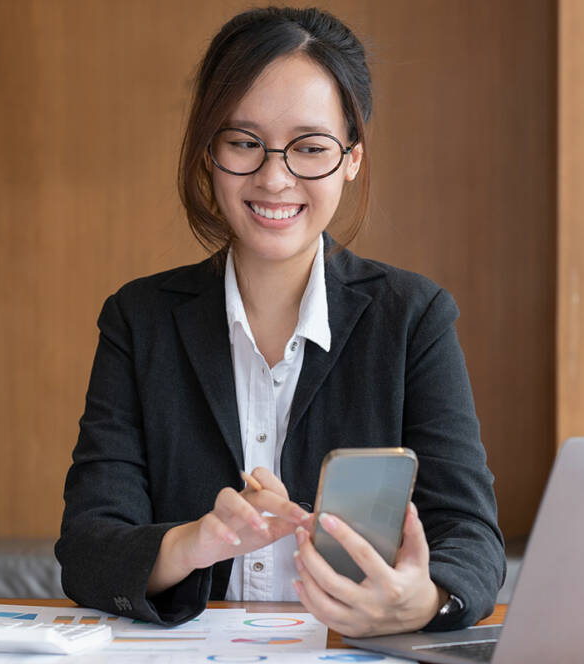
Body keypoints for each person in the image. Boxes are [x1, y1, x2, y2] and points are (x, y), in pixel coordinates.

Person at [55, 6, 505, 637]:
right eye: (243, 142)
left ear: (351, 158)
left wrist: (422, 601)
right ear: (207, 154)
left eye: (310, 147)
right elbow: (87, 548)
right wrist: (196, 542)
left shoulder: (413, 317)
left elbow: (471, 536)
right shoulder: (140, 321)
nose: (274, 177)